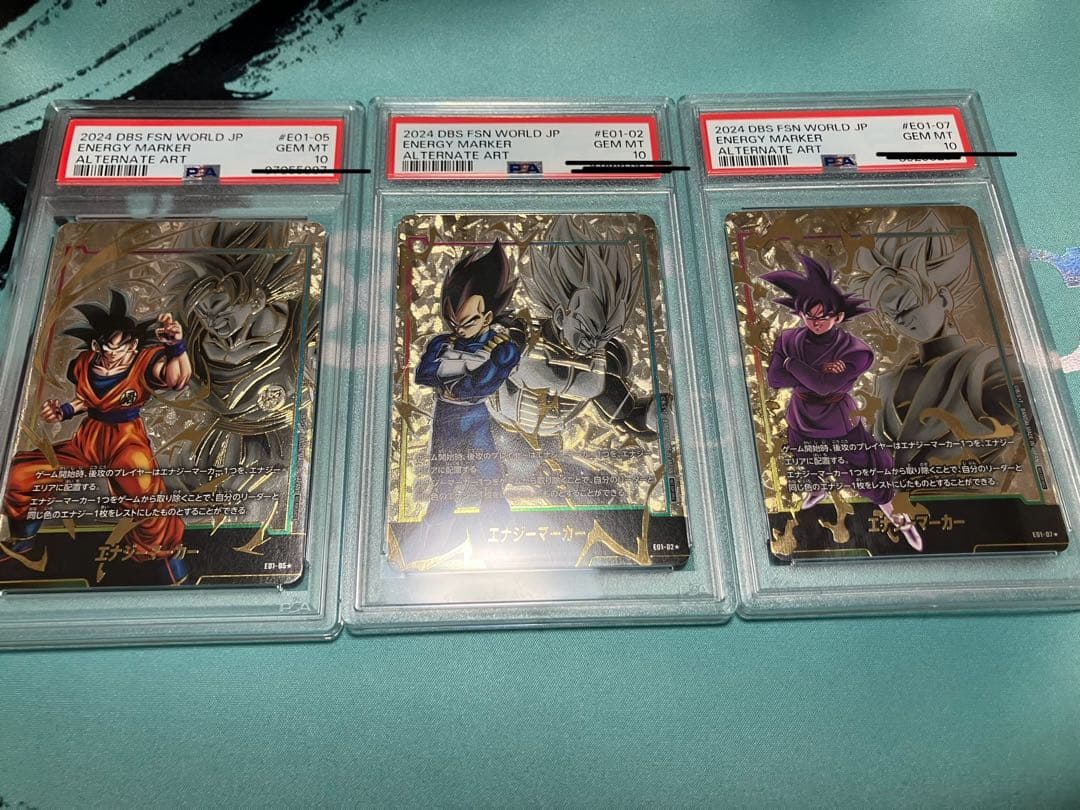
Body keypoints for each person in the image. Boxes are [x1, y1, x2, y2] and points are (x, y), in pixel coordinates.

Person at [1, 290, 192, 583]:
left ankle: (167, 566)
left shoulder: (144, 362)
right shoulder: (84, 364)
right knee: (23, 473)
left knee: (146, 495)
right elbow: (86, 400)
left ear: (134, 346)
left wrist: (176, 347)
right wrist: (64, 410)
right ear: (96, 345)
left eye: (122, 349)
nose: (114, 355)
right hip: (88, 439)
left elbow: (176, 379)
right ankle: (22, 542)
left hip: (127, 440)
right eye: (108, 348)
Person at [764, 254, 922, 550]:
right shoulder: (788, 339)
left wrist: (792, 365)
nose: (816, 322)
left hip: (838, 421)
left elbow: (826, 386)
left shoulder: (856, 350)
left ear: (838, 317)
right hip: (801, 416)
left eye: (824, 316)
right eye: (810, 316)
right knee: (807, 463)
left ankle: (902, 521)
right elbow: (774, 379)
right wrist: (811, 371)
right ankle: (818, 488)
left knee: (869, 477)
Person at [413, 240, 523, 557]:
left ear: (487, 318)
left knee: (491, 479)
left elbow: (478, 387)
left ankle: (499, 545)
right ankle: (431, 547)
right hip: (446, 416)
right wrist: (461, 373)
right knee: (444, 483)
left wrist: (454, 375)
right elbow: (424, 375)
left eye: (468, 321)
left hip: (475, 416)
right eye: (454, 321)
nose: (460, 329)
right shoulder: (441, 343)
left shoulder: (502, 348)